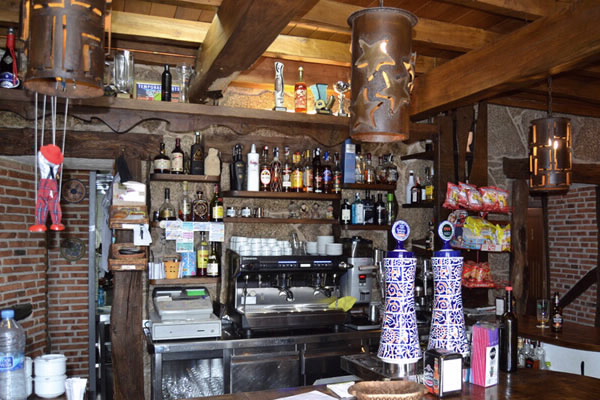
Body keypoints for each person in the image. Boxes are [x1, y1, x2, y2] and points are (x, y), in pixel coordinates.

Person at [29, 144, 65, 232]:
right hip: (53, 185)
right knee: (54, 204)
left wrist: (43, 151)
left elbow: (40, 155)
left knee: (42, 203)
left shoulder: (44, 163)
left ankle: (40, 223)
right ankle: (56, 222)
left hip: (45, 183)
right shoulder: (56, 165)